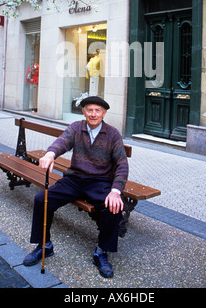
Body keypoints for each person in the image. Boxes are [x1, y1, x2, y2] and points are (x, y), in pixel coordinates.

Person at [23, 96, 129, 278]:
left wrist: (115, 190)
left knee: (114, 207)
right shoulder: (76, 128)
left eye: (97, 111)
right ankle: (44, 245)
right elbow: (62, 141)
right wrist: (50, 153)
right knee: (42, 199)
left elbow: (122, 164)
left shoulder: (112, 134)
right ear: (84, 112)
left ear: (104, 114)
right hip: (74, 179)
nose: (93, 114)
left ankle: (101, 251)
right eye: (90, 110)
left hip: (100, 181)